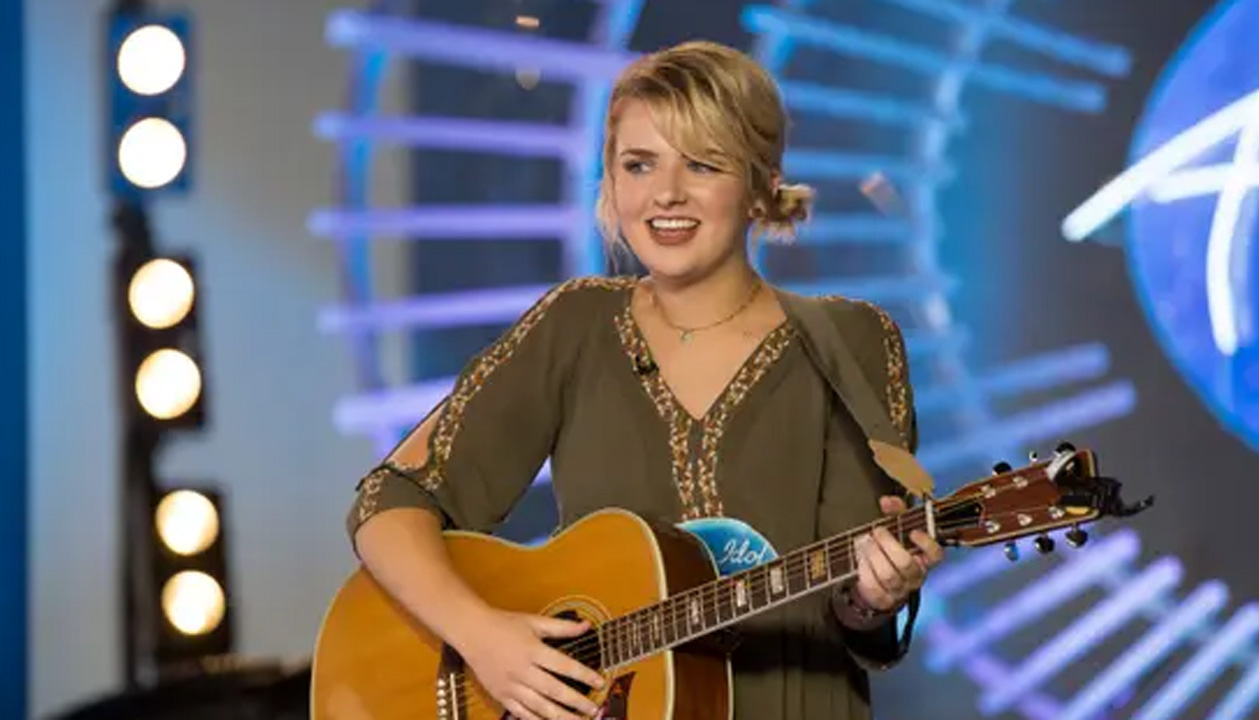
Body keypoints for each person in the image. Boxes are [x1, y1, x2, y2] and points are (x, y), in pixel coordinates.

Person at [345, 40, 945, 720]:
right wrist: (484, 638)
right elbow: (389, 503)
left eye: (702, 163)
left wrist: (876, 597)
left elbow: (856, 612)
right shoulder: (575, 325)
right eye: (639, 164)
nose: (666, 193)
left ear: (761, 183)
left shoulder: (852, 341)